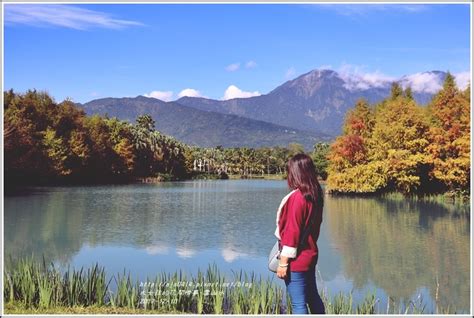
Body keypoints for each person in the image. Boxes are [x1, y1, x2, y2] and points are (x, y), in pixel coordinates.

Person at [275, 153, 325, 314]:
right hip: (309, 255)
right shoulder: (315, 195)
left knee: (298, 305)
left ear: (296, 173)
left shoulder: (298, 198)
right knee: (313, 298)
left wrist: (283, 263)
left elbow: (292, 232)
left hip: (295, 261)